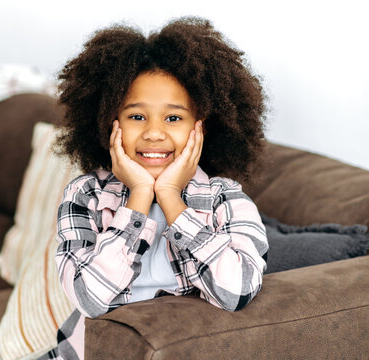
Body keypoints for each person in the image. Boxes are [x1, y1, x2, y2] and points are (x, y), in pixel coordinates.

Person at [38, 16, 269, 360]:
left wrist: (173, 200)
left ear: (200, 129)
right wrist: (140, 197)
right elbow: (89, 298)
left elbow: (236, 292)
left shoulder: (227, 199)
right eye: (137, 116)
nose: (154, 133)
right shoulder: (84, 195)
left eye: (173, 118)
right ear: (108, 122)